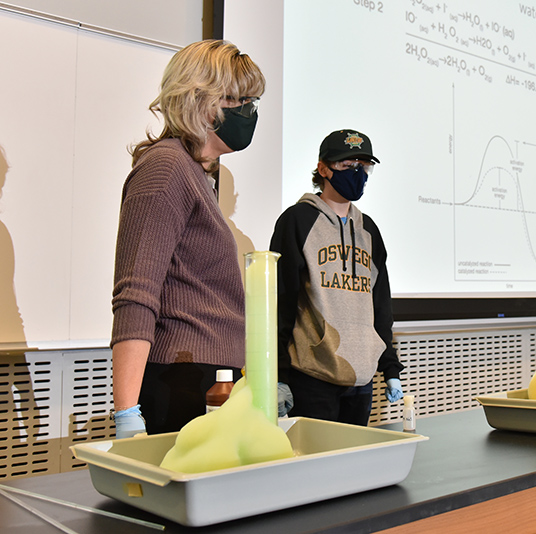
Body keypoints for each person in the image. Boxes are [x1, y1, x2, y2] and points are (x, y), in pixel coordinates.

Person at [110, 40, 266, 438]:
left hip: (210, 378)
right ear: (202, 99)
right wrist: (127, 412)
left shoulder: (197, 175)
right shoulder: (166, 168)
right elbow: (136, 294)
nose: (251, 111)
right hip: (179, 381)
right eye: (241, 99)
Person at [269, 129, 404, 426]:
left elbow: (380, 305)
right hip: (312, 375)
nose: (358, 173)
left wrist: (390, 368)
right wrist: (278, 375)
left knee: (354, 467)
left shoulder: (369, 230)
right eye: (347, 165)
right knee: (314, 467)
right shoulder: (297, 221)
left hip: (361, 379)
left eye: (363, 166)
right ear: (323, 168)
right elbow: (281, 301)